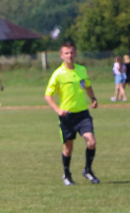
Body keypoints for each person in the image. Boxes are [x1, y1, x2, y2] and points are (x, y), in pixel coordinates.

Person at [44, 40, 100, 186]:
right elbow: (48, 95)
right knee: (68, 148)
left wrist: (93, 98)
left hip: (83, 114)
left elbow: (87, 85)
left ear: (76, 53)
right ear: (61, 55)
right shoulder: (58, 74)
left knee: (91, 141)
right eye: (66, 53)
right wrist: (58, 110)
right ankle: (67, 175)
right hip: (67, 116)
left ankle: (88, 170)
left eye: (72, 52)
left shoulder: (81, 70)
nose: (70, 55)